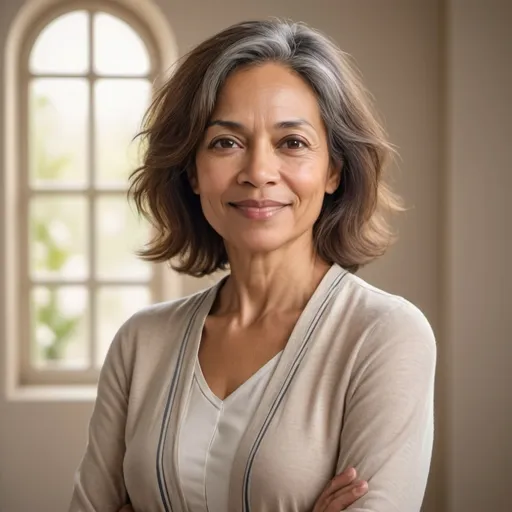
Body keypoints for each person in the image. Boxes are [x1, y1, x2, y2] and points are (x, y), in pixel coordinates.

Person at [69, 19, 436, 512]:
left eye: (293, 143)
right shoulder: (141, 342)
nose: (259, 172)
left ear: (333, 170)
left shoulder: (386, 336)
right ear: (192, 170)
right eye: (226, 143)